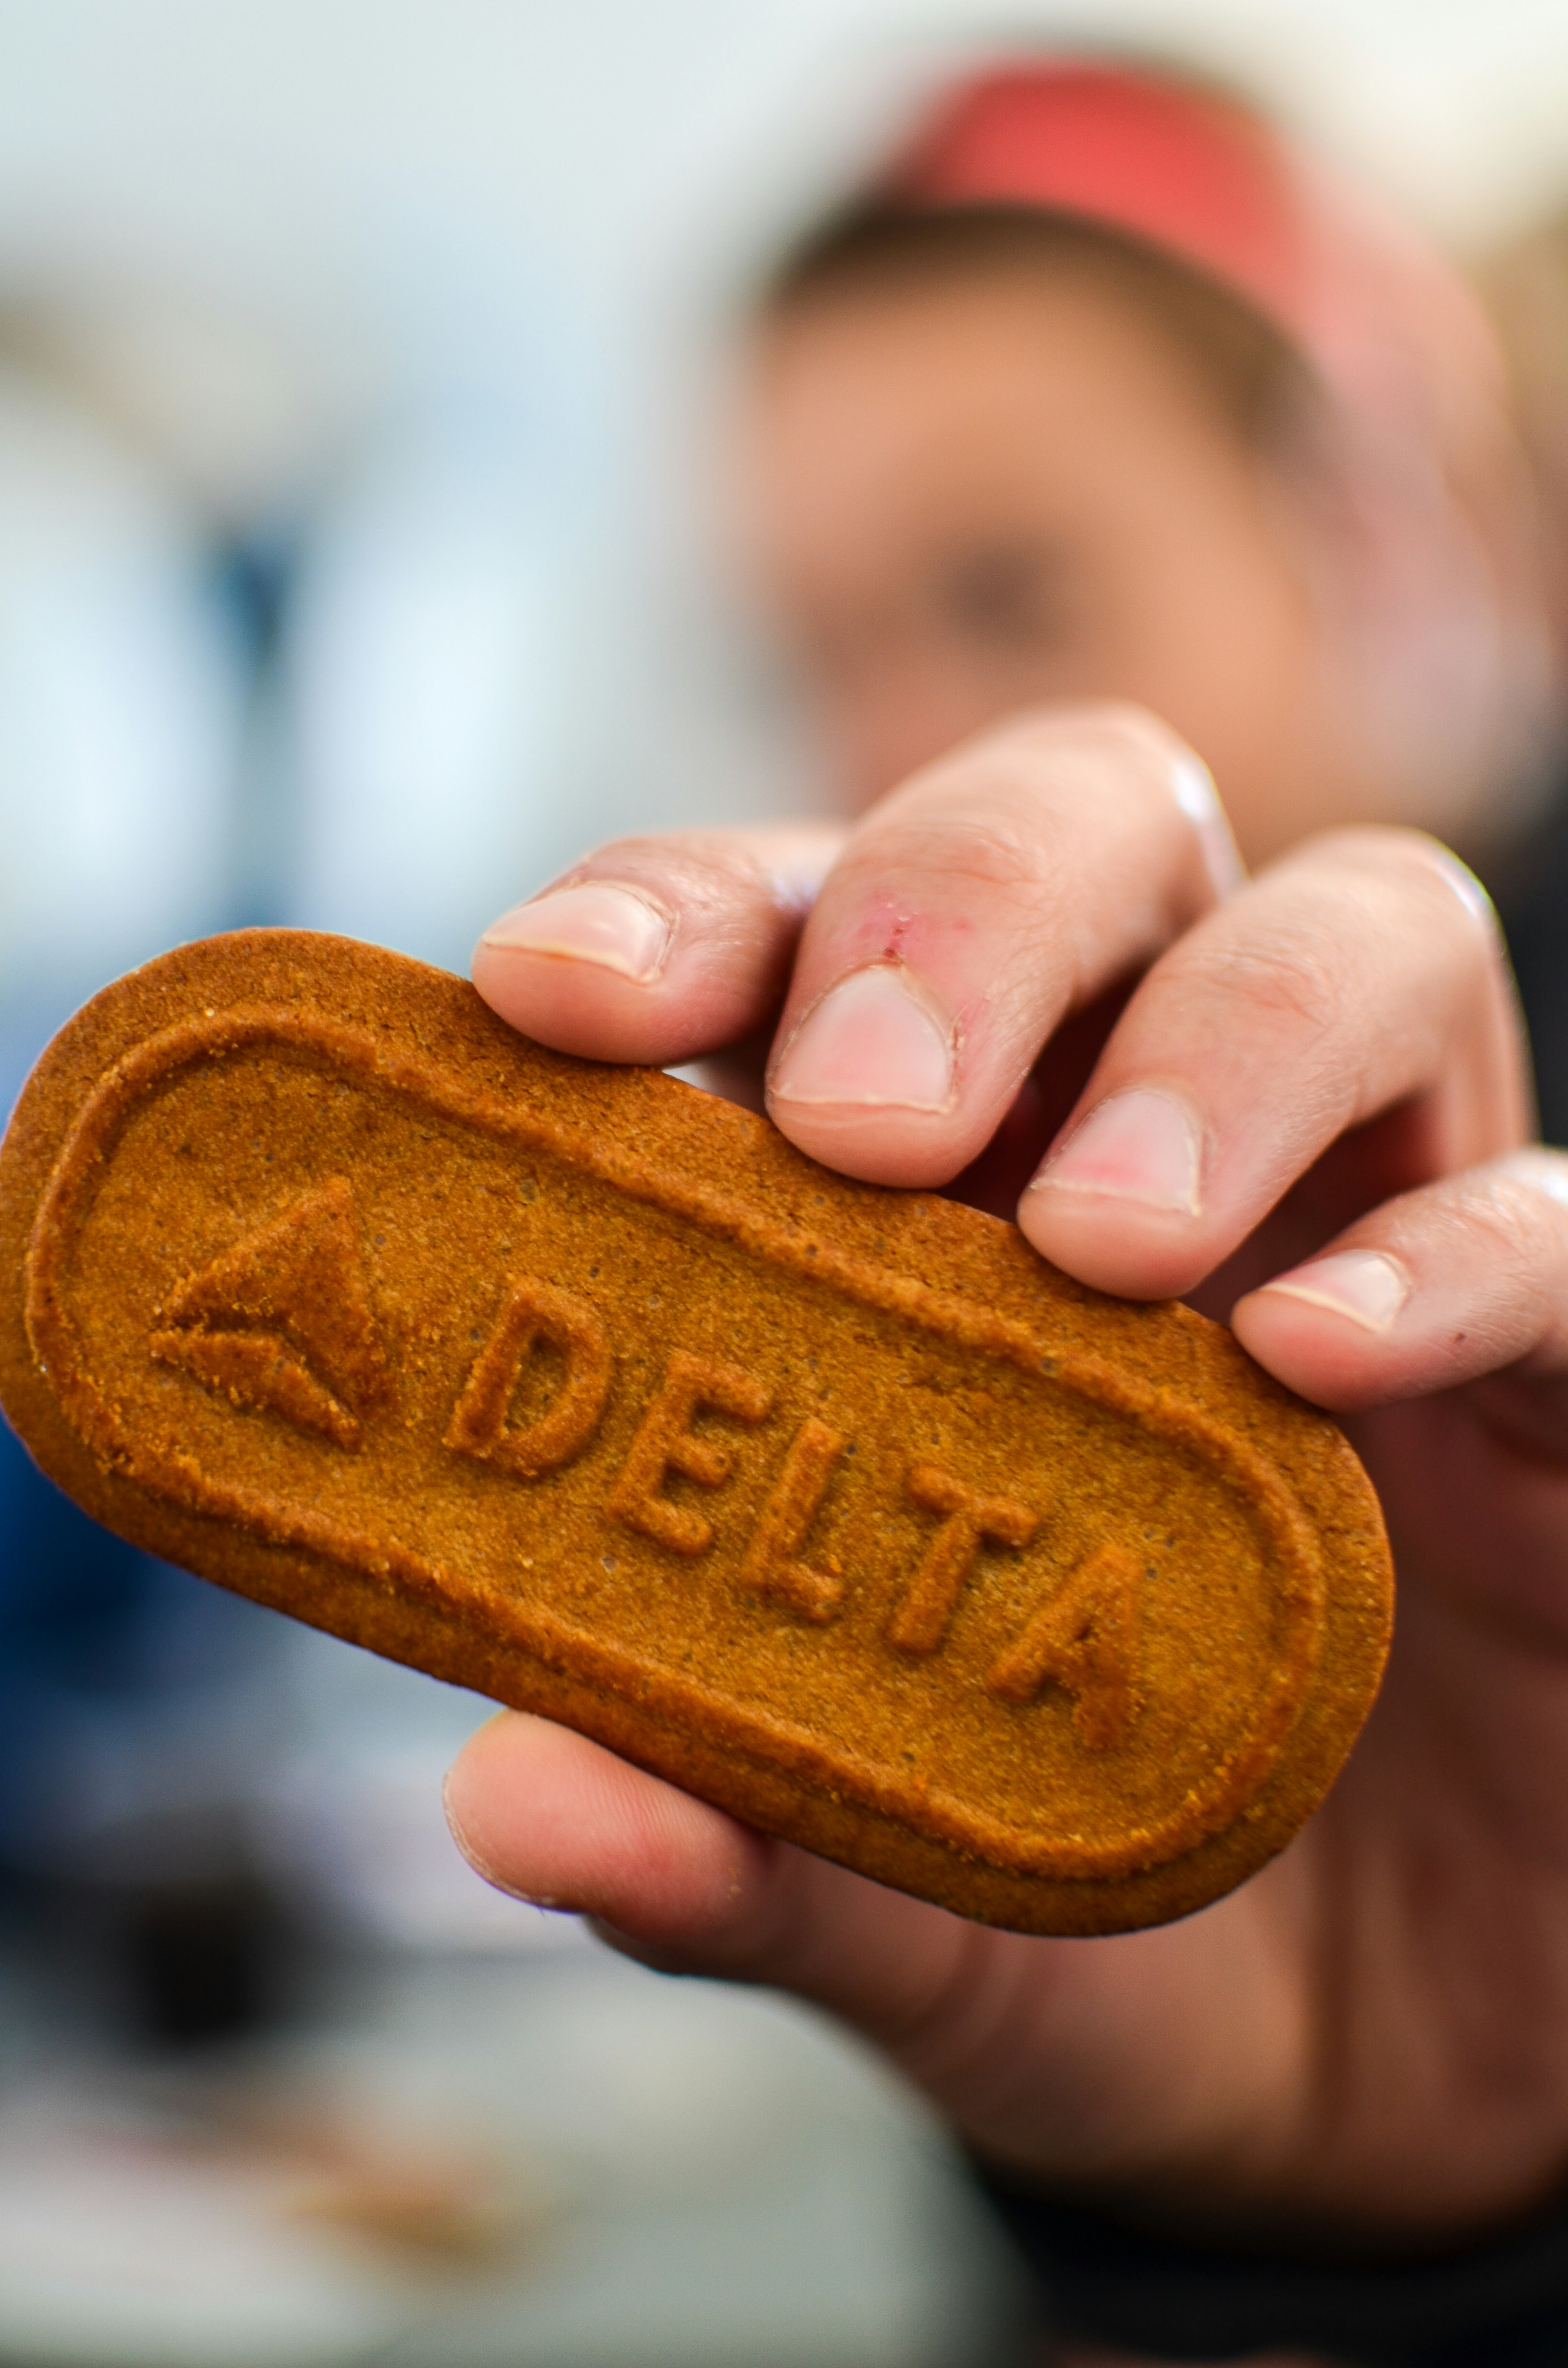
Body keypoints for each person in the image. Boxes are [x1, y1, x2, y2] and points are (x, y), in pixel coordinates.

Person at [443, 60, 1568, 2366]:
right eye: (824, 644)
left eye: (1007, 586)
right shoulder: (959, 1204)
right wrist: (1338, 2218)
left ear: (1368, 521)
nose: (904, 751)